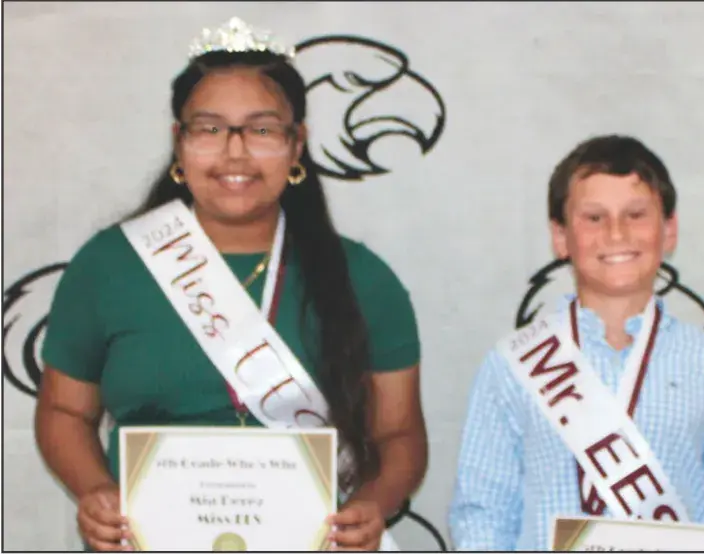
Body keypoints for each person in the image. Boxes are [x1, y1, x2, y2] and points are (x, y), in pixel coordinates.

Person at [35, 17, 427, 552]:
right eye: (210, 129)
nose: (235, 153)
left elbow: (399, 435)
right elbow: (63, 411)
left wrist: (373, 503)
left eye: (262, 130)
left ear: (296, 145)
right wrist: (95, 490)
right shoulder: (108, 265)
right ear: (179, 143)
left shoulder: (363, 278)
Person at [448, 135, 704, 550]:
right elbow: (483, 513)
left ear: (669, 230)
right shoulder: (512, 365)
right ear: (560, 237)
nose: (616, 233)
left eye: (636, 214)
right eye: (594, 218)